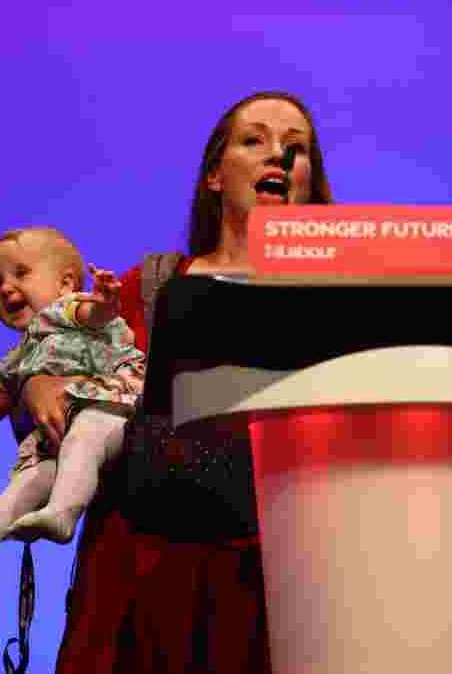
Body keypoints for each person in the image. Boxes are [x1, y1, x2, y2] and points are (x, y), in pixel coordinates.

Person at [20, 92, 334, 673]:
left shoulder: (340, 301)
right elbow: (80, 373)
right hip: (140, 585)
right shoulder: (154, 285)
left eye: (297, 149)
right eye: (255, 140)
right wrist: (39, 382)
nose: (278, 156)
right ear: (215, 174)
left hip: (273, 587)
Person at [0, 227, 146, 554]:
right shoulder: (20, 358)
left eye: (21, 273)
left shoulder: (66, 311)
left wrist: (105, 301)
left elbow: (94, 316)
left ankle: (63, 512)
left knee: (85, 433)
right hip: (58, 437)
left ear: (65, 284)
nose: (6, 288)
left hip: (109, 407)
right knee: (35, 474)